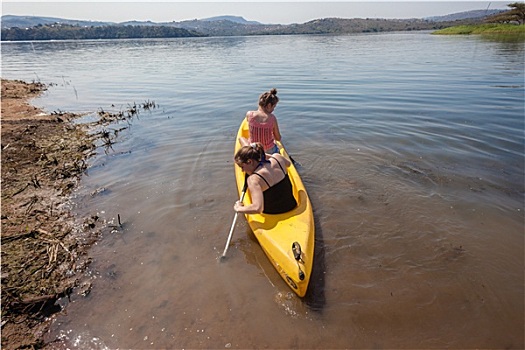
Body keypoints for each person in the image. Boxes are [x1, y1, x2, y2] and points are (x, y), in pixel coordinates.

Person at [234, 142, 297, 215]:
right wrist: (263, 157)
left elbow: (258, 208)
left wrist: (239, 208)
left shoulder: (254, 180)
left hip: (272, 213)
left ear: (250, 161)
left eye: (242, 167)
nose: (242, 170)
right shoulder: (278, 157)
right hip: (292, 205)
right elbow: (288, 164)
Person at [240, 88, 282, 155]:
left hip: (254, 150)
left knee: (241, 138)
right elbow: (278, 138)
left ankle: (246, 152)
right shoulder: (272, 118)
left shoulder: (249, 114)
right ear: (269, 105)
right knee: (275, 143)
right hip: (269, 150)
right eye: (274, 107)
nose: (273, 109)